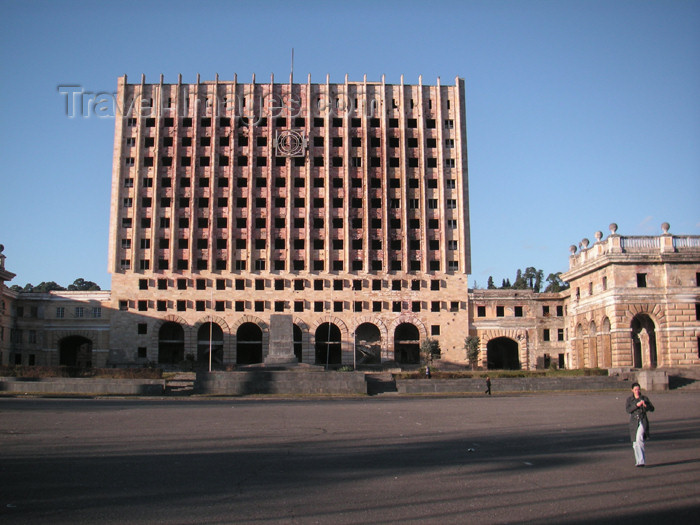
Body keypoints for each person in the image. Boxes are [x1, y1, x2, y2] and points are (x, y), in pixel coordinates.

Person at [625, 382, 655, 467]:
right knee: (635, 443)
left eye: (638, 389)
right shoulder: (629, 400)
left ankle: (642, 460)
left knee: (639, 439)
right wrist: (636, 405)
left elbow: (652, 408)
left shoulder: (644, 398)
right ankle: (638, 461)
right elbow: (628, 410)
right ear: (632, 390)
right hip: (634, 421)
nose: (637, 391)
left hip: (642, 420)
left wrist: (645, 406)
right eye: (635, 390)